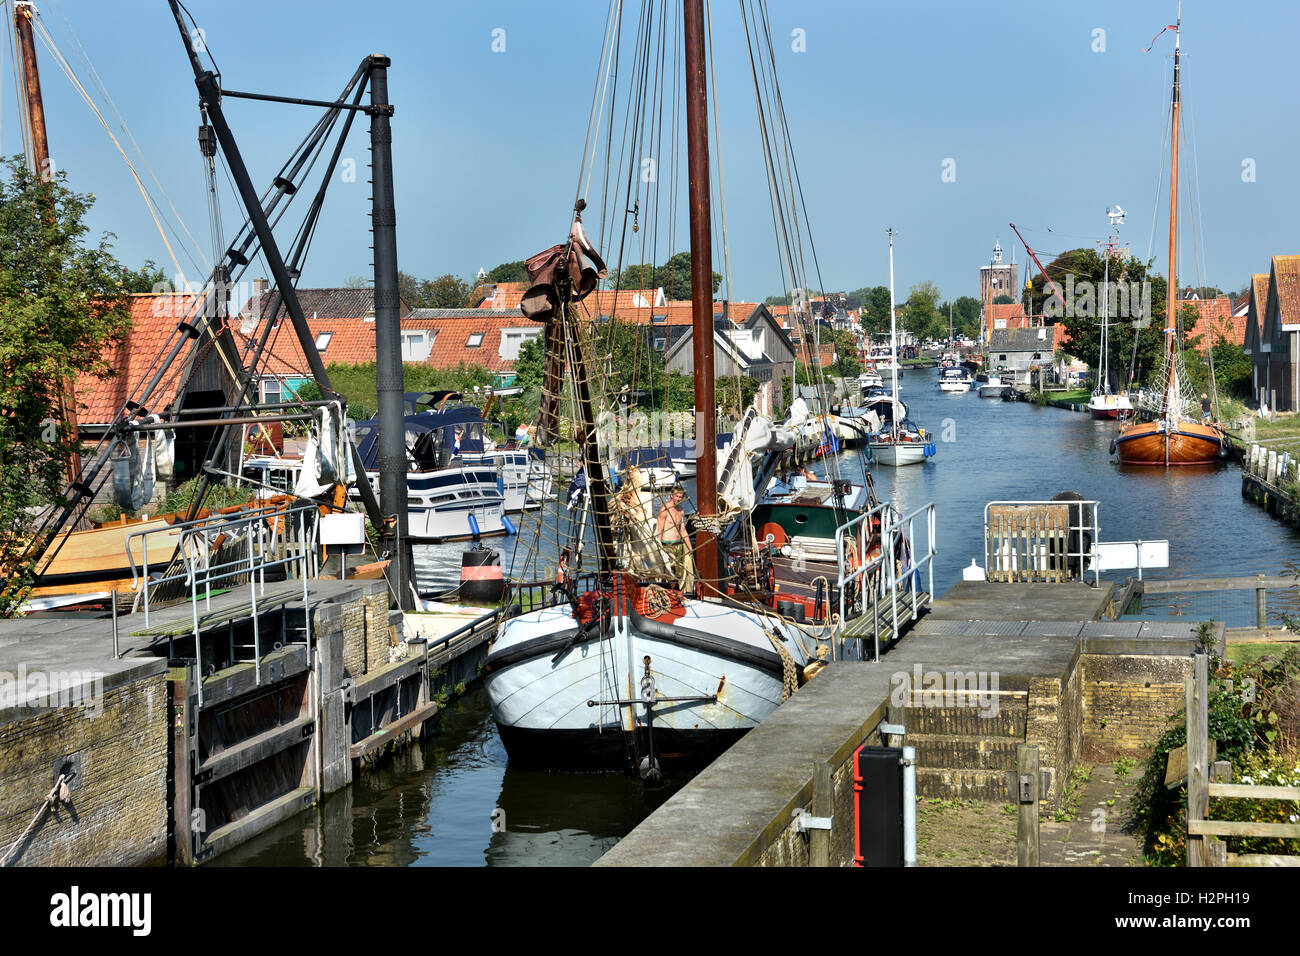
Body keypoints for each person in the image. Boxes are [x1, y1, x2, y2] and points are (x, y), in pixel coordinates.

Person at [655, 484, 692, 583]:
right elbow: (659, 530)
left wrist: (689, 547)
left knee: (679, 574)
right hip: (667, 545)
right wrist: (659, 548)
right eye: (677, 496)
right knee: (669, 575)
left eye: (680, 497)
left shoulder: (681, 510)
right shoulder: (664, 509)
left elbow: (683, 530)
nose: (679, 499)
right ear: (672, 495)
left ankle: (679, 594)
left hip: (678, 545)